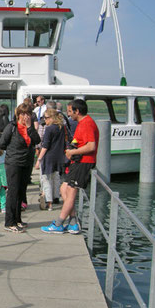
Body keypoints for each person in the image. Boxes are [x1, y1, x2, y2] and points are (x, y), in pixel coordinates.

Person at [41, 99, 99, 234]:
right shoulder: (82, 123)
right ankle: (73, 221)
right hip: (76, 162)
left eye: (69, 112)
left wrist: (73, 152)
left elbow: (91, 146)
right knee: (63, 188)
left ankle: (59, 223)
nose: (68, 115)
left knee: (71, 192)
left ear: (77, 111)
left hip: (83, 162)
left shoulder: (87, 123)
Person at [0, 103, 40, 232]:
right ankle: (9, 222)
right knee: (13, 191)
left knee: (21, 192)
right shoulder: (11, 127)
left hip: (26, 163)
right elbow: (2, 143)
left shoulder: (30, 127)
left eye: (27, 114)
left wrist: (29, 128)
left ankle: (18, 219)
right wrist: (13, 151)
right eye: (22, 114)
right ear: (18, 115)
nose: (25, 117)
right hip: (14, 163)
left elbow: (37, 140)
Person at [35, 108, 66, 211]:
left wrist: (39, 160)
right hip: (59, 156)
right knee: (56, 178)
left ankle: (49, 203)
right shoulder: (61, 127)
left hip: (49, 157)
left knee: (46, 180)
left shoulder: (49, 129)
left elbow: (45, 146)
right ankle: (56, 196)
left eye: (46, 118)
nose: (45, 120)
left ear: (52, 118)